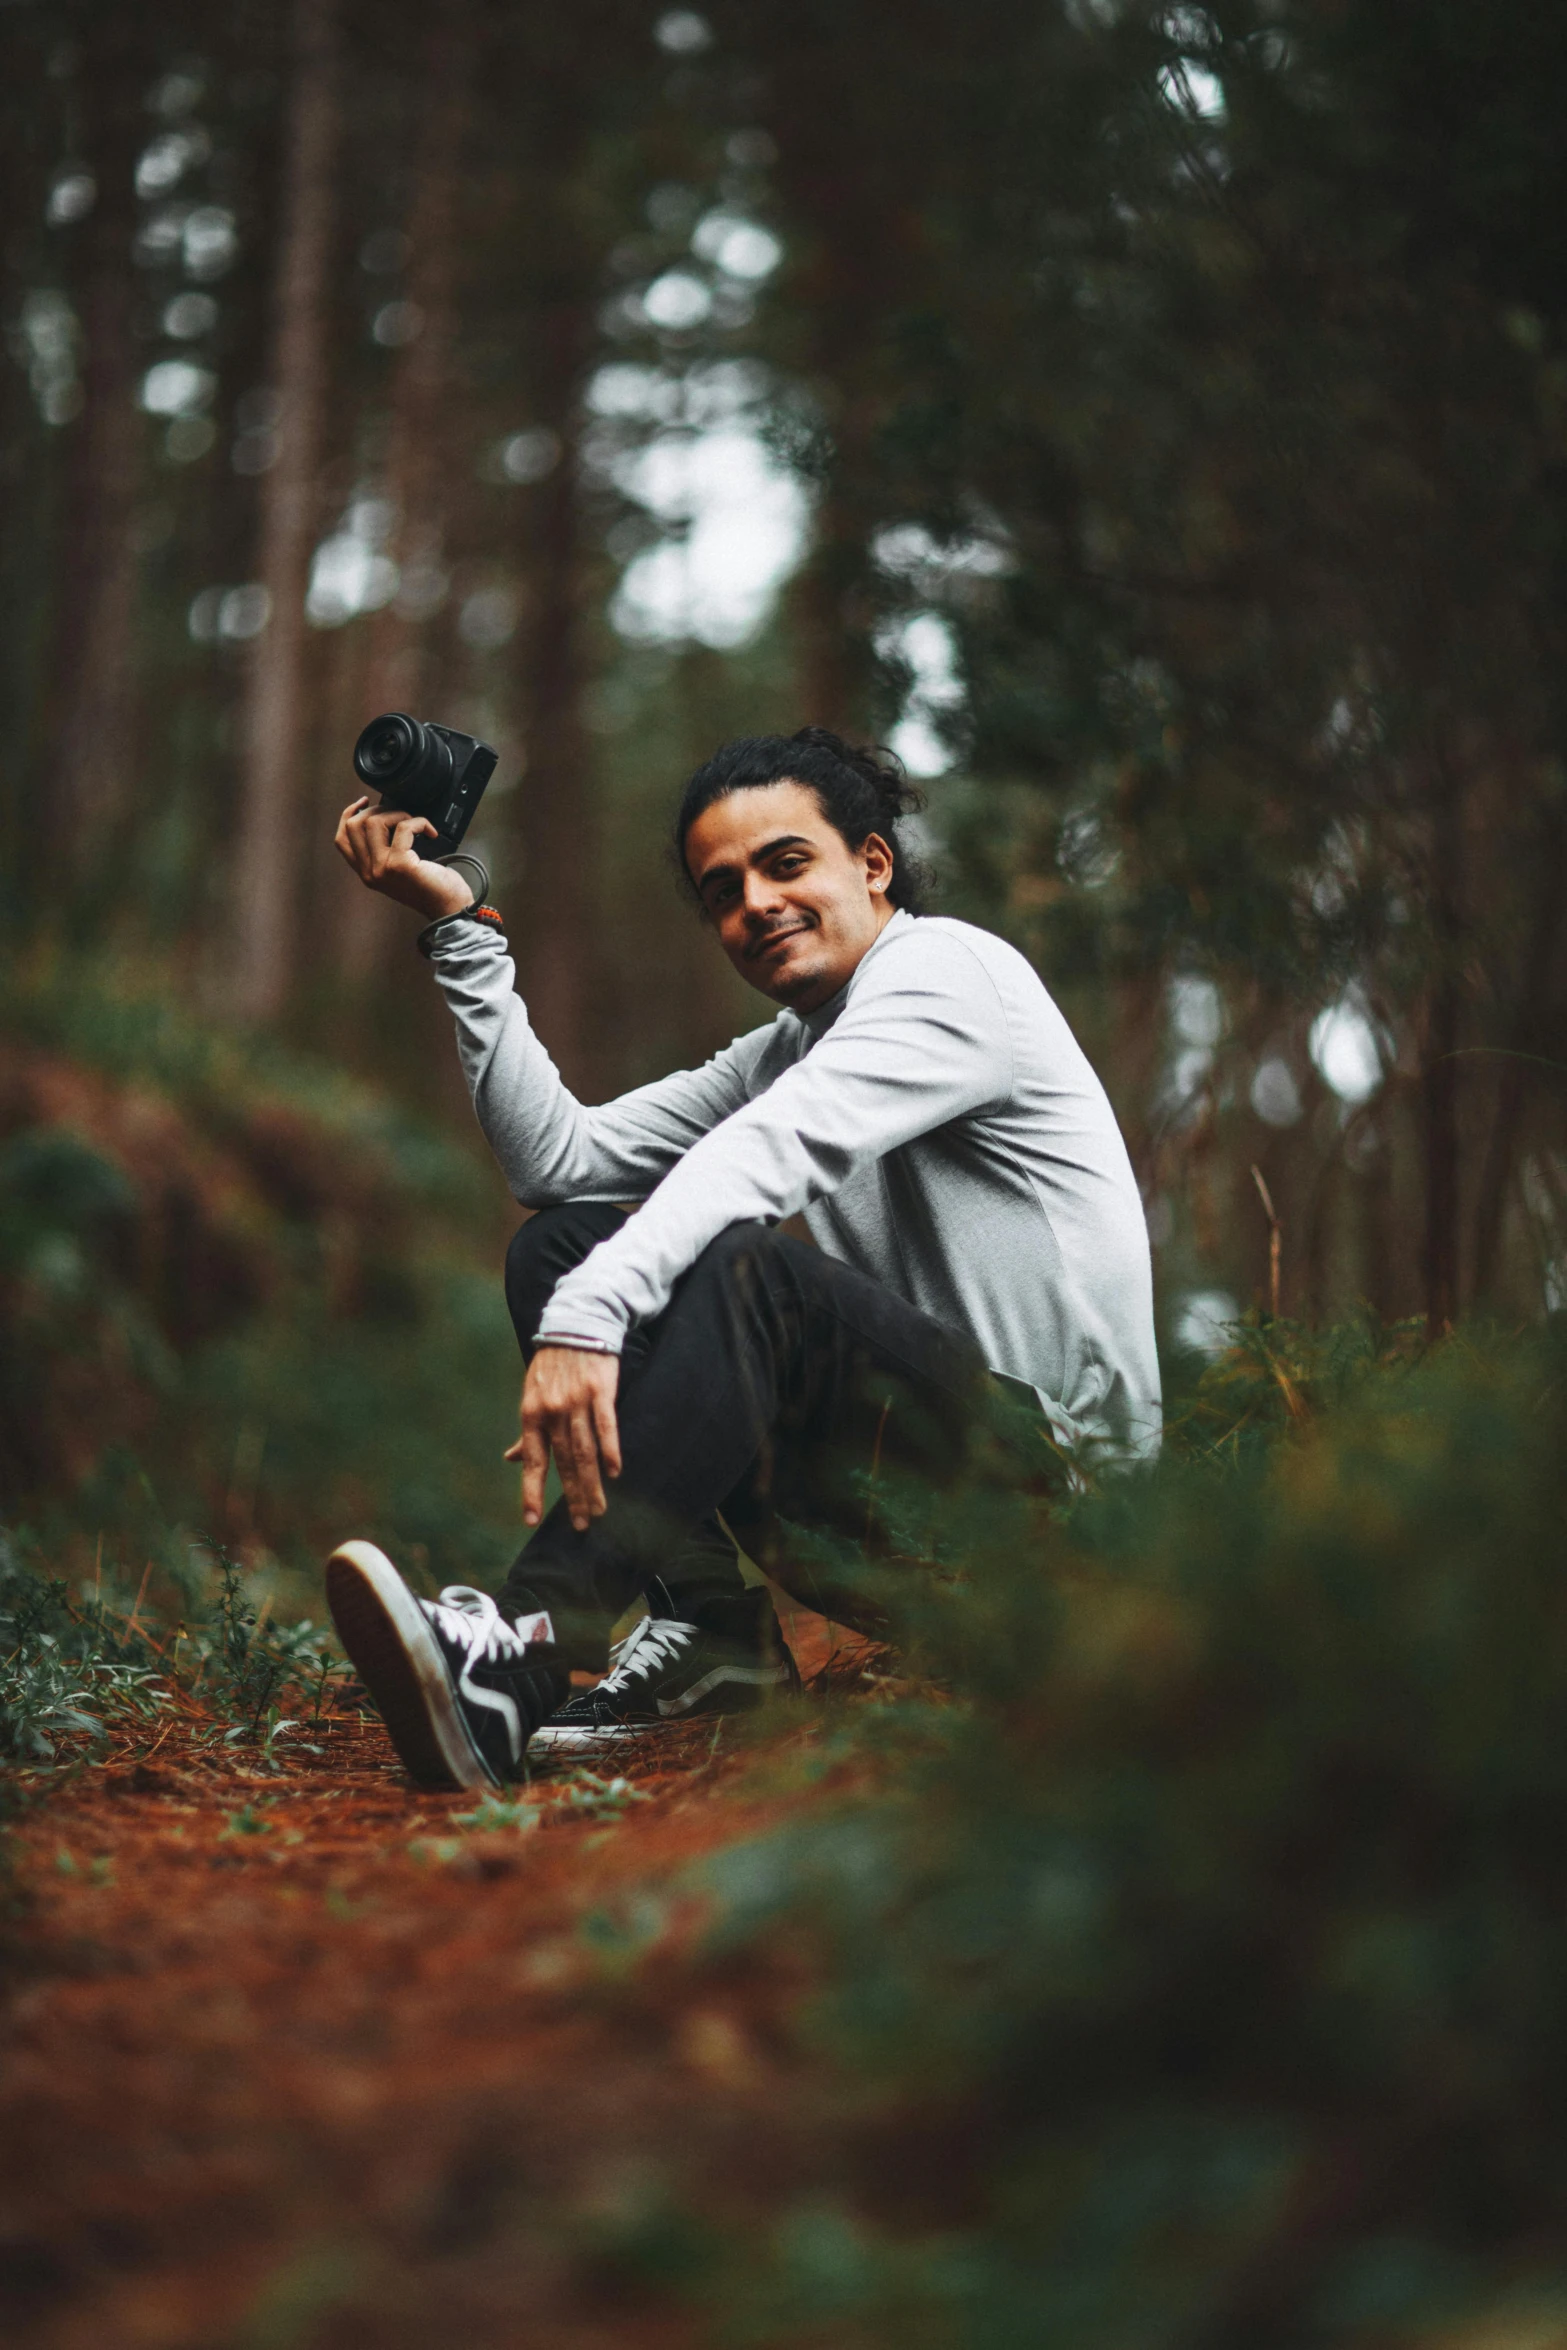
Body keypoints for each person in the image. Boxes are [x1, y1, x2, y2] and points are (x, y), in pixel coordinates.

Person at [324, 727, 1160, 1790]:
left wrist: (592, 1316)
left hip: (1061, 1529)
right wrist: (460, 927)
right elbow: (559, 1161)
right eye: (722, 889)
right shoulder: (788, 1047)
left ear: (871, 861)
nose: (753, 903)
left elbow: (777, 1151)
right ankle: (714, 1644)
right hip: (900, 1531)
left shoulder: (952, 973)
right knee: (567, 1241)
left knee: (743, 1274)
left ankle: (526, 1646)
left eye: (785, 863)